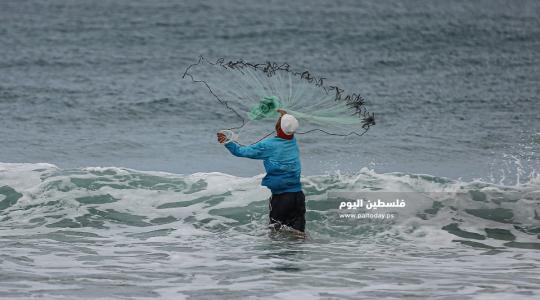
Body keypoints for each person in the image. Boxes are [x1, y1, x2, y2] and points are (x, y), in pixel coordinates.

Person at [217, 109, 305, 234]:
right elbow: (288, 127)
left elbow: (240, 151)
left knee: (276, 233)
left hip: (281, 199)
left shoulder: (268, 145)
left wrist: (227, 141)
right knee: (298, 235)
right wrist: (284, 115)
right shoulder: (292, 141)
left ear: (278, 127)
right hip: (298, 197)